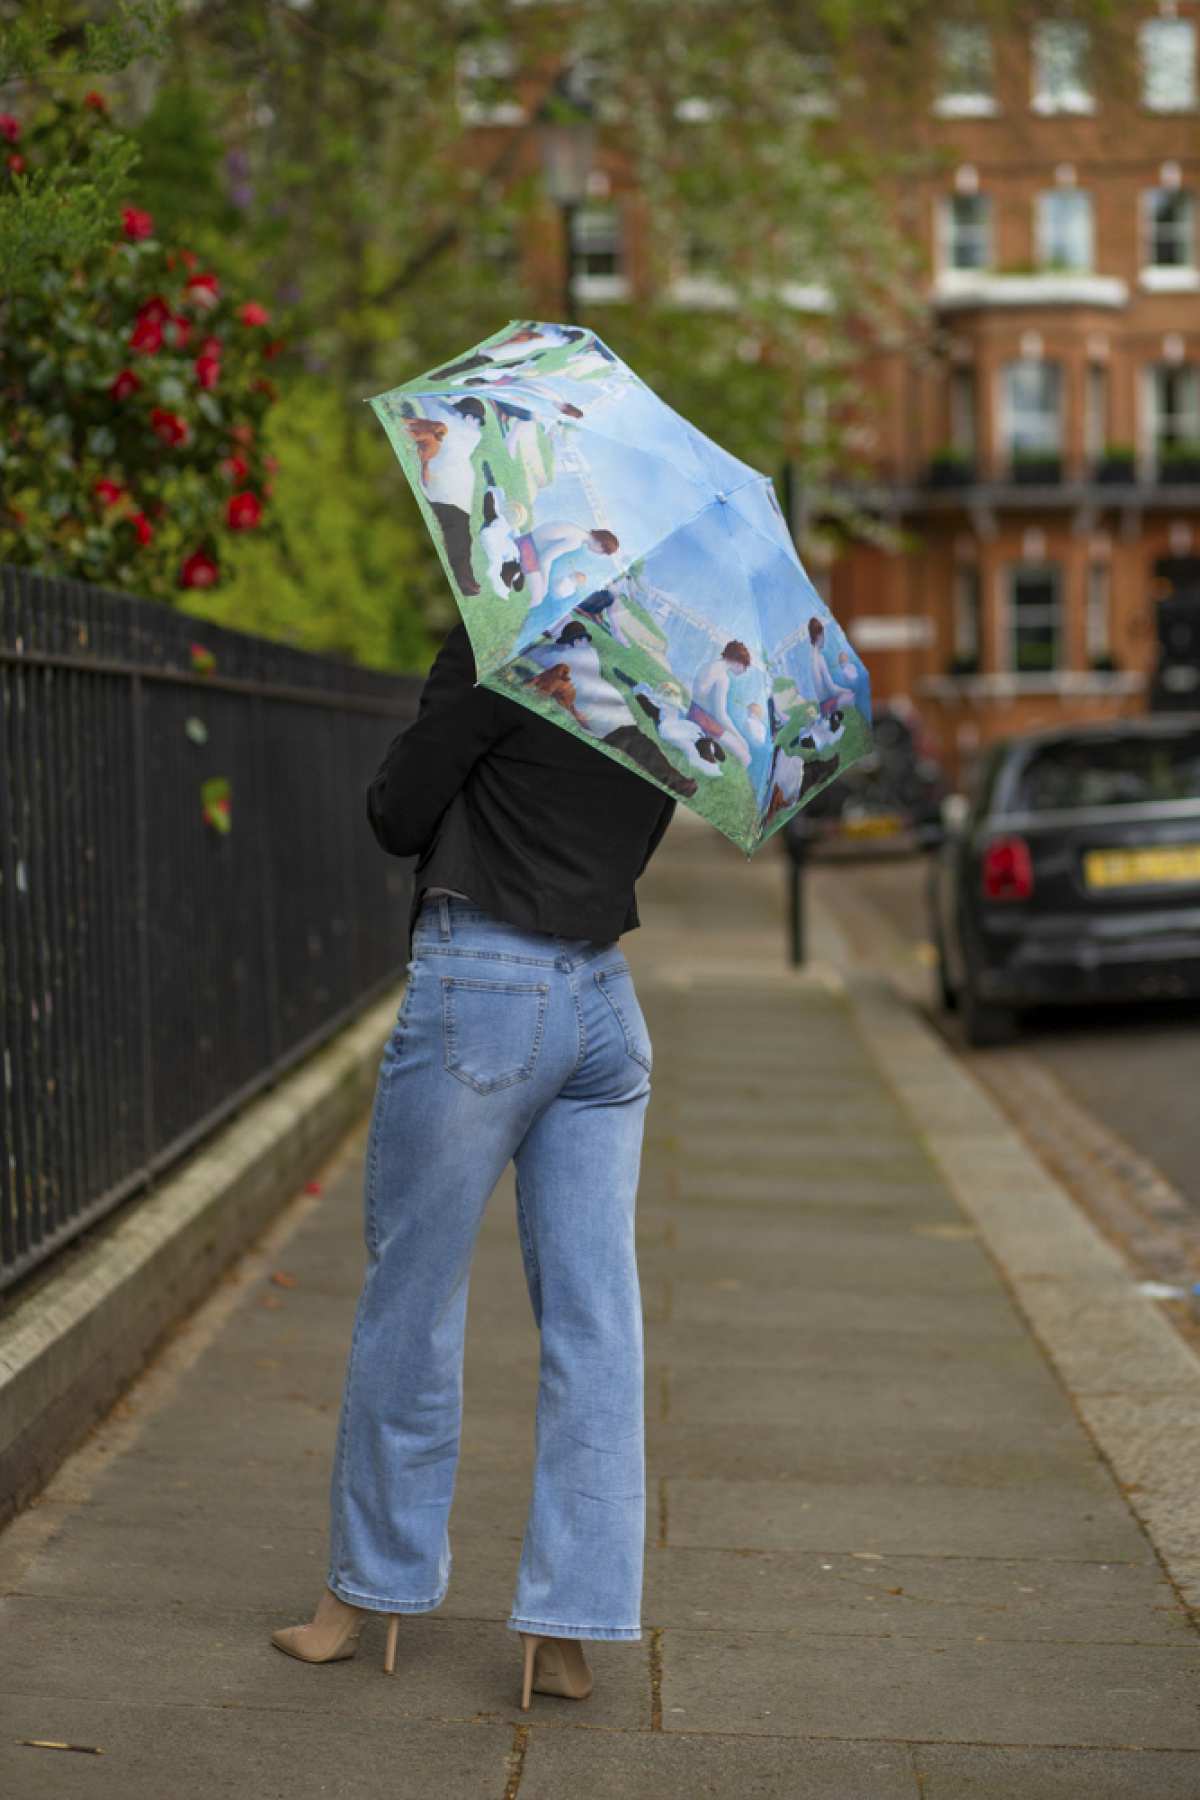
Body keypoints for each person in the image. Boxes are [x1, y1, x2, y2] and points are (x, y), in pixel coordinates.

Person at [271, 621, 674, 1712]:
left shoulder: (508, 641)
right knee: (597, 1323)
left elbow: (396, 814)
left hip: (485, 988)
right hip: (605, 1007)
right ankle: (569, 1632)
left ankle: (364, 1598)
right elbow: (633, 844)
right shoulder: (666, 671)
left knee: (415, 1295)